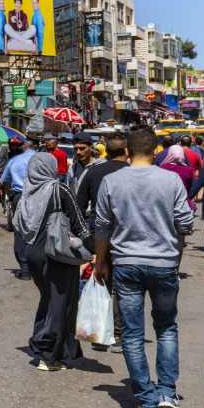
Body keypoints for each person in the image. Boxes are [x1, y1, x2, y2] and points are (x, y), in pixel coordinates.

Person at [94, 126, 195, 408]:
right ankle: (166, 391)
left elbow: (102, 226)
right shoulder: (171, 179)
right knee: (165, 327)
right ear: (155, 152)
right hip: (164, 264)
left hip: (125, 265)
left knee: (133, 333)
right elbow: (186, 223)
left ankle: (146, 400)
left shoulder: (111, 181)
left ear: (127, 151)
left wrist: (100, 262)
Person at [13, 152, 94, 372]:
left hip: (33, 254)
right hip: (57, 253)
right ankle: (48, 355)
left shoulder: (27, 192)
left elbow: (17, 224)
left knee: (48, 301)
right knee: (60, 304)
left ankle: (50, 349)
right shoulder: (59, 189)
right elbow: (79, 224)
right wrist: (95, 250)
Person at [75, 133, 130, 352]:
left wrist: (86, 240)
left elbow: (78, 208)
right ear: (127, 151)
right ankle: (117, 332)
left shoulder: (93, 172)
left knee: (100, 278)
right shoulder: (132, 172)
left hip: (98, 234)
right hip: (126, 235)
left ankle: (99, 331)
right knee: (121, 285)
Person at [1, 139, 36, 279]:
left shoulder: (15, 160)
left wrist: (10, 195)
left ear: (24, 147)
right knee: (39, 230)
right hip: (40, 196)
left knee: (21, 231)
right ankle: (38, 267)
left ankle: (25, 268)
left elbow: (5, 181)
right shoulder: (42, 160)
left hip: (19, 196)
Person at [66, 132, 99, 199]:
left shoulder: (100, 166)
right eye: (76, 148)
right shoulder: (72, 168)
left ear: (91, 148)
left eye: (82, 148)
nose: (78, 152)